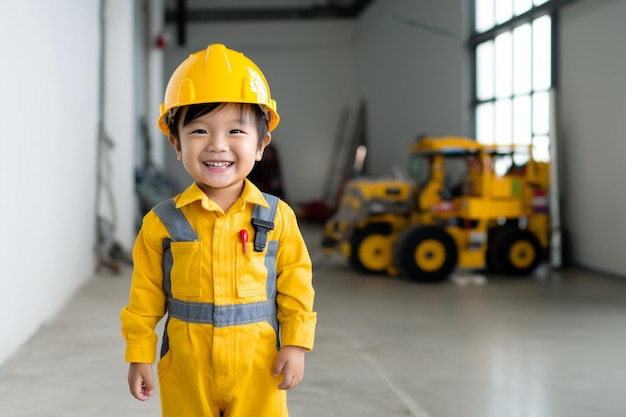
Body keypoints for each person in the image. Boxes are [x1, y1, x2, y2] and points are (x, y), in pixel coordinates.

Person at [120, 43, 317, 417]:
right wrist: (139, 354)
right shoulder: (161, 223)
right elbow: (144, 297)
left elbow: (296, 286)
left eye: (236, 130)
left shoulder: (278, 217)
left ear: (261, 144)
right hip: (186, 368)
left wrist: (296, 344)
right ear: (176, 143)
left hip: (258, 367)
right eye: (198, 130)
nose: (217, 144)